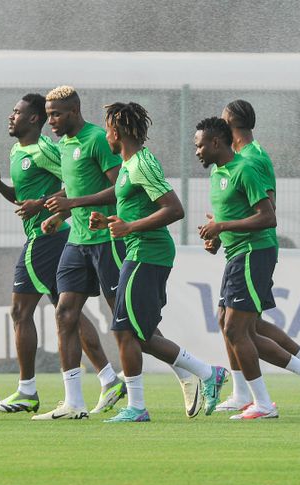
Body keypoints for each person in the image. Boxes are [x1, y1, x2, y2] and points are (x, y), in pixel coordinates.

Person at [86, 102, 228, 422]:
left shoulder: (142, 164)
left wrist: (129, 228)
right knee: (139, 333)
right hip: (139, 251)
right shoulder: (128, 165)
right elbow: (137, 210)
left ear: (117, 131)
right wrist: (109, 222)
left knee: (127, 331)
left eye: (107, 129)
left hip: (148, 253)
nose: (105, 135)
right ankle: (207, 373)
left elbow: (174, 209)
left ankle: (139, 406)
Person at [0, 94, 114, 414]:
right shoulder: (18, 150)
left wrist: (43, 205)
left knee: (20, 311)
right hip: (49, 235)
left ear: (33, 119)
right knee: (67, 312)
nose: (10, 116)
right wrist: (1, 187)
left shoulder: (45, 149)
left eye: (16, 112)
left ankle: (27, 390)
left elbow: (76, 183)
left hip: (46, 239)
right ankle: (109, 378)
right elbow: (22, 198)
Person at [195, 117, 300, 419]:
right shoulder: (217, 173)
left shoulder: (245, 169)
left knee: (236, 330)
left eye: (200, 145)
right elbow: (230, 215)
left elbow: (268, 217)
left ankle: (265, 403)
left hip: (253, 252)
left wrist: (222, 226)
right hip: (235, 253)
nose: (197, 151)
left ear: (216, 143)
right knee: (230, 324)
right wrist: (216, 236)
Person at [32, 86, 126, 420]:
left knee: (126, 319)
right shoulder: (63, 146)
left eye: (56, 114)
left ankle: (195, 369)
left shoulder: (97, 139)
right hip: (77, 241)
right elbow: (75, 189)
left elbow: (119, 188)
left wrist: (72, 203)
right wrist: (60, 215)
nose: (51, 121)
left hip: (107, 240)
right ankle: (74, 401)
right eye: (48, 115)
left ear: (74, 111)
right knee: (64, 312)